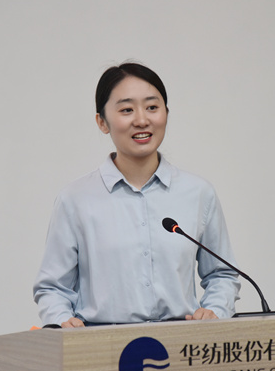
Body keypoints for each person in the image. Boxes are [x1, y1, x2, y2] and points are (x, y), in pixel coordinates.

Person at [33, 62, 240, 328]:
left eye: (152, 107)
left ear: (166, 113)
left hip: (181, 343)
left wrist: (214, 311)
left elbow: (222, 274)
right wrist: (63, 322)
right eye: (127, 110)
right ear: (102, 122)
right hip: (102, 344)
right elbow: (52, 288)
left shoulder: (198, 193)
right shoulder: (75, 199)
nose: (142, 120)